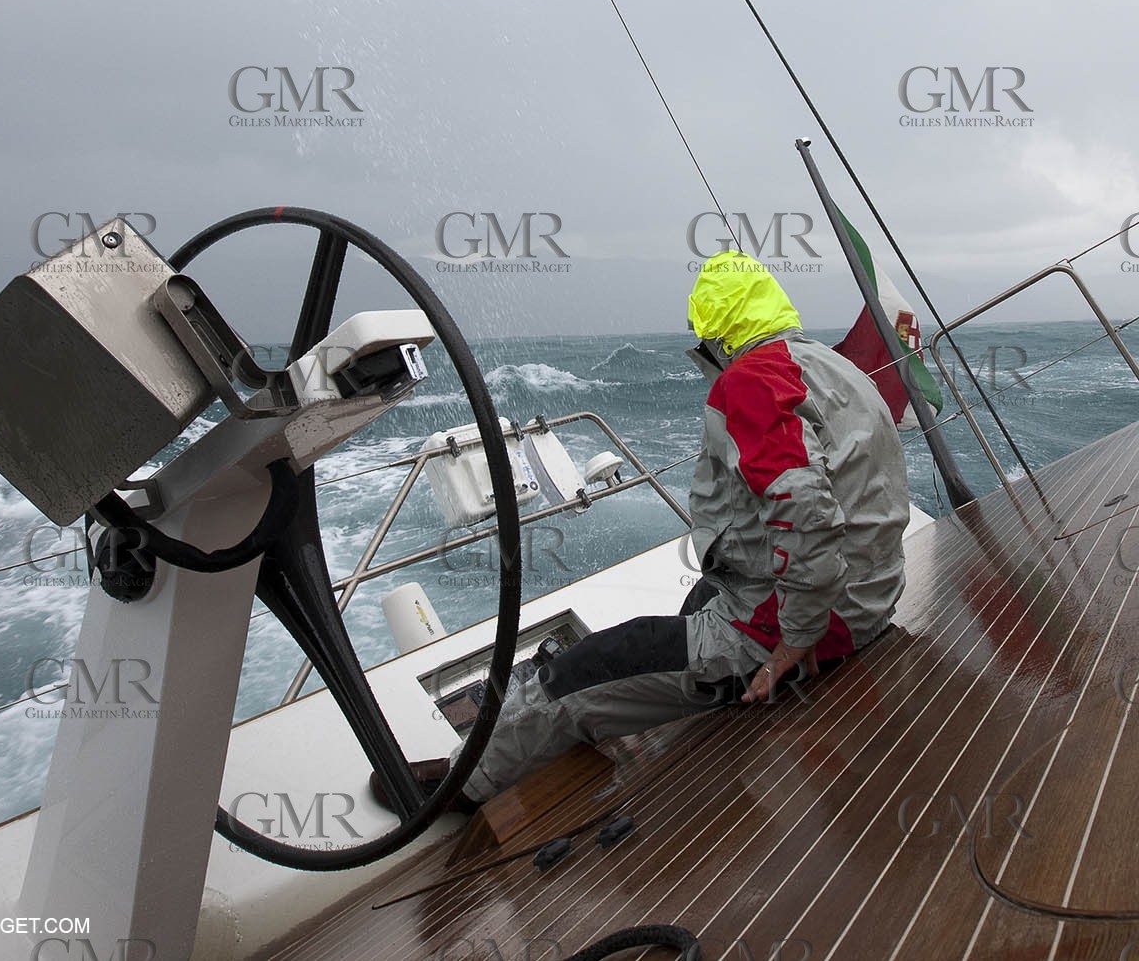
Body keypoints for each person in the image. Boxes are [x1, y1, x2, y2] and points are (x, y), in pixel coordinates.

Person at [372, 249, 910, 812]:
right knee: (698, 599)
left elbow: (803, 508)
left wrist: (796, 639)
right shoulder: (836, 367)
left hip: (810, 631)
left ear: (719, 340)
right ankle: (685, 691)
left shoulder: (751, 381)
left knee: (586, 668)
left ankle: (460, 783)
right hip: (868, 600)